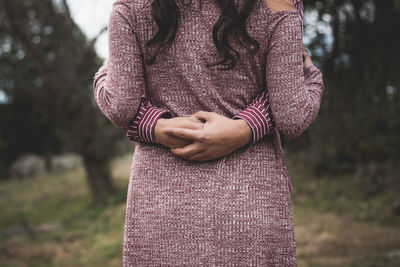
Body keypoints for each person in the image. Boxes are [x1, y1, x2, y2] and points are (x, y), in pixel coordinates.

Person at [92, 0, 324, 265]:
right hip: (249, 206)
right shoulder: (277, 3)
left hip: (162, 208)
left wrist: (105, 75)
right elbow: (293, 115)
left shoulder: (131, 6)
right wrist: (309, 75)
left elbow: (121, 106)